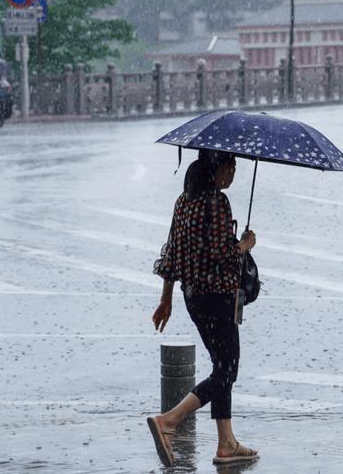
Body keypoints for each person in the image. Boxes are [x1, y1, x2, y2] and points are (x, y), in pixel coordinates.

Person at [146, 149, 258, 467]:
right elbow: (222, 253)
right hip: (219, 296)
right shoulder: (216, 202)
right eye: (230, 165)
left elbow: (171, 253)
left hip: (193, 297)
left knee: (220, 365)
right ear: (217, 169)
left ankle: (226, 443)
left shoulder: (184, 201)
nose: (233, 172)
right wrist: (245, 245)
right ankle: (169, 420)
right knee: (228, 369)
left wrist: (165, 298)